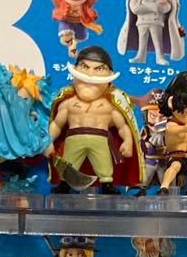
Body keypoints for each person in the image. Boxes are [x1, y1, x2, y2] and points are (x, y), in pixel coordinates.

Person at [45, 46, 142, 194]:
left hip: (100, 139)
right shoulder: (68, 102)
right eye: (84, 67)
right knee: (68, 163)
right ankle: (64, 185)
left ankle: (107, 185)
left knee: (104, 164)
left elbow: (122, 126)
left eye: (99, 69)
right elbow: (57, 124)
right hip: (74, 138)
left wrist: (128, 142)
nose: (90, 74)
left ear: (109, 75)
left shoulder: (111, 104)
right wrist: (48, 142)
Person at [117, 0, 184, 66]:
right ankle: (140, 56)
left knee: (158, 41)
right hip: (141, 23)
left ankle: (160, 57)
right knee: (142, 41)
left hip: (156, 23)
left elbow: (165, 8)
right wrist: (154, 6)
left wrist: (144, 4)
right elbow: (135, 9)